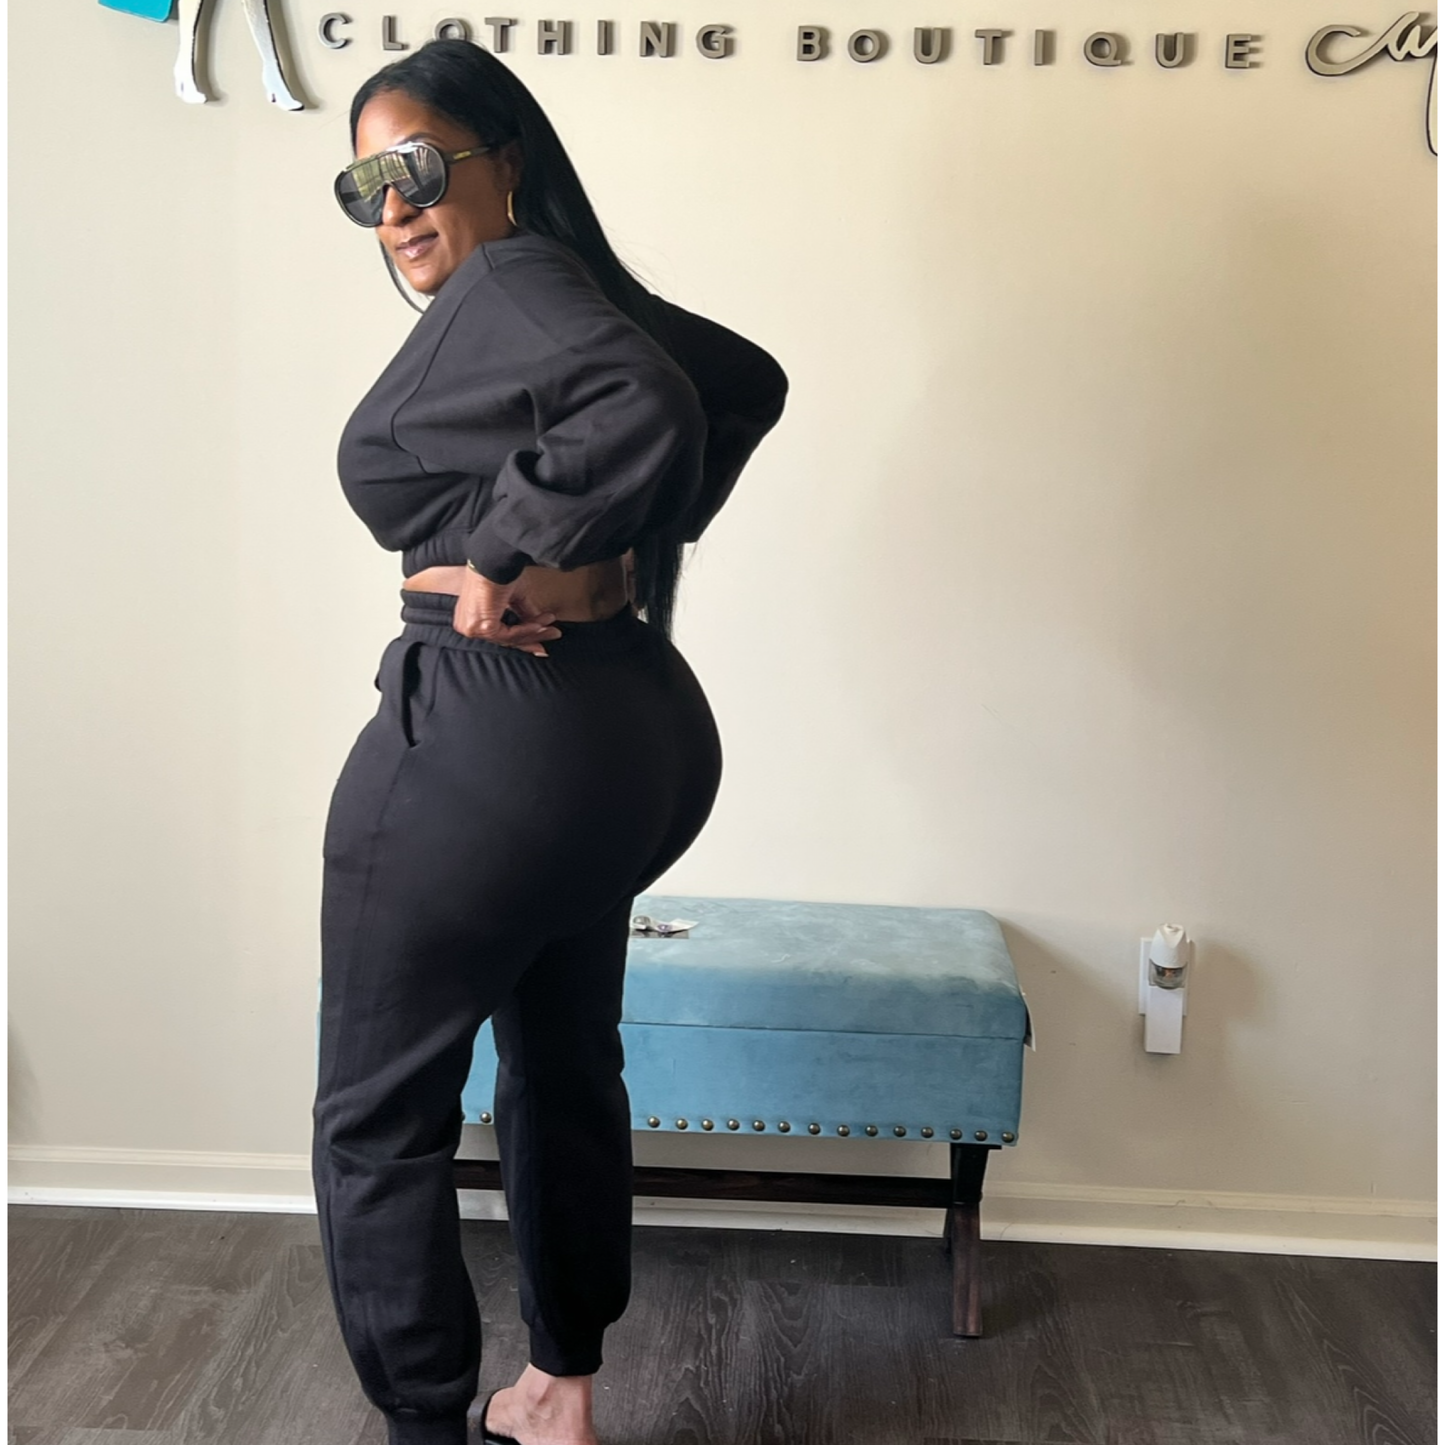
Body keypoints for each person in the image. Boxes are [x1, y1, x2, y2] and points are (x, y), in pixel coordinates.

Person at [310, 38, 788, 1445]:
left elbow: (657, 403)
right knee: (563, 1061)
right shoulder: (551, 295)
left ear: (502, 161)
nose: (394, 209)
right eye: (363, 187)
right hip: (625, 733)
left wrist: (510, 551)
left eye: (414, 168)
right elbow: (740, 382)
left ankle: (425, 1425)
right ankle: (557, 1392)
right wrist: (605, 534)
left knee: (374, 1116)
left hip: (487, 743)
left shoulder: (512, 280)